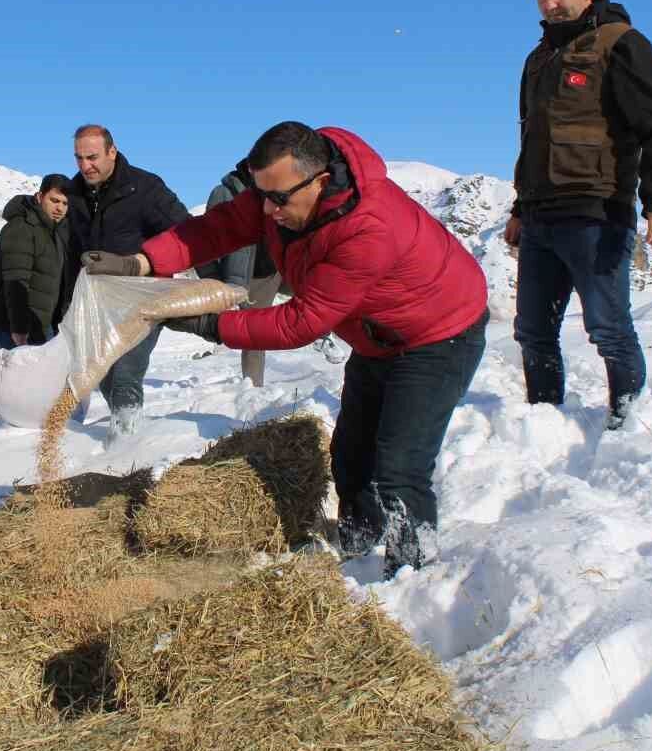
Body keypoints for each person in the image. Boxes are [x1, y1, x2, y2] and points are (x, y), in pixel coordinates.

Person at [85, 122, 488, 578]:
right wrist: (142, 261)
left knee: (399, 467)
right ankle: (358, 547)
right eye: (261, 196)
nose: (267, 210)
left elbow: (301, 321)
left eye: (277, 199)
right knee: (351, 455)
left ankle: (411, 574)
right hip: (377, 336)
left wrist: (209, 325)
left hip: (439, 334)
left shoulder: (368, 228)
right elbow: (216, 228)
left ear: (320, 181)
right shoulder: (282, 194)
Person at [505, 0, 652, 431]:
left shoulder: (622, 44)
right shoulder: (539, 58)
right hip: (540, 216)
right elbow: (532, 141)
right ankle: (544, 425)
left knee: (608, 328)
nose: (549, 5)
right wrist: (519, 208)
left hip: (597, 211)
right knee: (532, 331)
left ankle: (628, 424)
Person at [65, 124, 189, 436]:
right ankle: (125, 427)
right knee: (104, 373)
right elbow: (71, 251)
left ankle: (125, 444)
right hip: (99, 301)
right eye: (79, 158)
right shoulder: (74, 193)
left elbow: (186, 233)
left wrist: (145, 263)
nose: (85, 166)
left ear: (112, 152)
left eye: (92, 157)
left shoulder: (144, 188)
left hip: (144, 297)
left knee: (126, 372)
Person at [0, 174, 71, 431]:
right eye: (54, 200)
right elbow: (15, 280)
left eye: (65, 203)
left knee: (31, 377)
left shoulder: (56, 231)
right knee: (27, 378)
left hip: (39, 319)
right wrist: (19, 327)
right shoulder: (21, 228)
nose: (59, 208)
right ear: (39, 197)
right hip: (11, 320)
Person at [195, 162, 282, 386]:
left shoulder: (277, 188)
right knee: (246, 331)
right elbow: (203, 242)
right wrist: (213, 279)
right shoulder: (223, 193)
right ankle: (251, 388)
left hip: (269, 273)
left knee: (257, 333)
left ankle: (253, 387)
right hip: (236, 278)